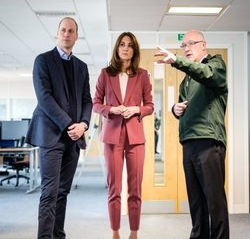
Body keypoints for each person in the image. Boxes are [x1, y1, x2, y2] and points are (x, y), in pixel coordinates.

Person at [155, 30, 229, 239]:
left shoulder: (216, 65)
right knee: (196, 202)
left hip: (208, 142)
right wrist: (174, 109)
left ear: (203, 45)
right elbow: (183, 105)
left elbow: (206, 74)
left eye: (191, 44)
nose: (186, 48)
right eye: (184, 45)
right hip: (189, 142)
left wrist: (176, 60)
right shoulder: (186, 80)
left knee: (214, 202)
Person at [26, 17, 92, 239]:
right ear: (57, 33)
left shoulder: (81, 67)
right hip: (51, 136)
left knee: (63, 192)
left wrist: (83, 125)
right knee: (50, 192)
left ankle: (58, 235)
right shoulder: (43, 61)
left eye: (71, 31)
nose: (66, 34)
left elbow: (87, 100)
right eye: (63, 30)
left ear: (76, 35)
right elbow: (45, 98)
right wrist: (69, 125)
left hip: (74, 138)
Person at [93, 32, 154, 239]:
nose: (125, 48)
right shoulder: (105, 74)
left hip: (136, 138)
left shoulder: (143, 75)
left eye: (129, 45)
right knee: (114, 188)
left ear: (134, 50)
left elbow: (149, 106)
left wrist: (136, 110)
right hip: (112, 137)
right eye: (122, 45)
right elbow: (96, 104)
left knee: (135, 188)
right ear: (117, 49)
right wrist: (112, 109)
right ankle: (115, 232)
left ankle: (134, 232)